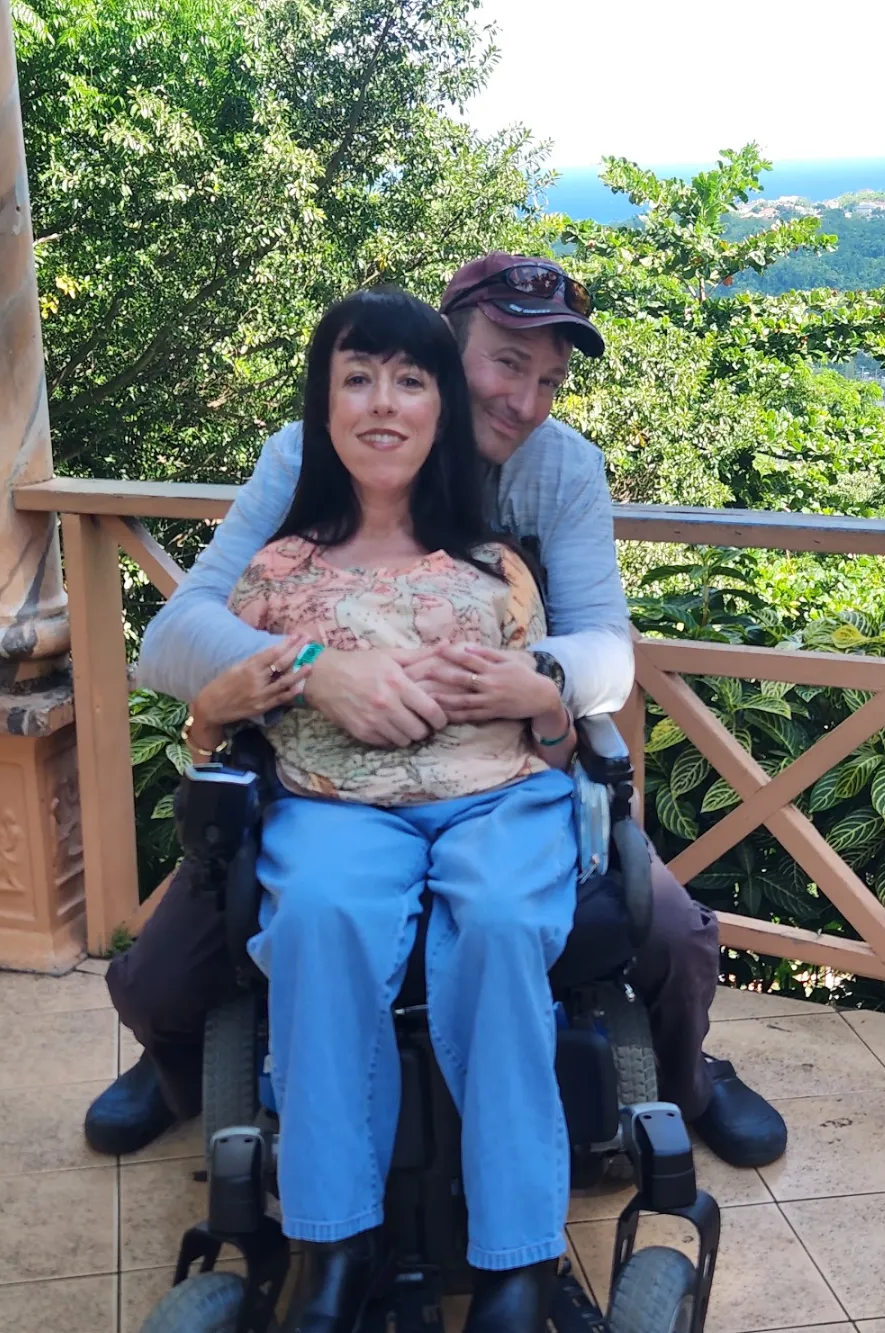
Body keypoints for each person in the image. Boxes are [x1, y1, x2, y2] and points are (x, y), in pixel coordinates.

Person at [85, 252, 786, 1170]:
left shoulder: (563, 470)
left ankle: (687, 1078)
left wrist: (535, 674)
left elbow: (609, 650)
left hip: (502, 773)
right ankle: (184, 1077)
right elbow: (176, 638)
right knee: (157, 980)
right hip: (335, 779)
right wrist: (315, 666)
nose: (525, 402)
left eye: (548, 380)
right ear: (443, 351)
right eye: (504, 362)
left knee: (676, 936)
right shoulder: (310, 451)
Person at [226, 288, 578, 1333]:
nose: (384, 404)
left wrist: (544, 700)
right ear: (322, 405)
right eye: (357, 377)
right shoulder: (275, 574)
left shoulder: (495, 569)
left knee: (502, 920)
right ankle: (334, 1239)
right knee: (321, 920)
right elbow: (207, 707)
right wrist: (280, 683)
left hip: (496, 797)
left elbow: (560, 739)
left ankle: (518, 1250)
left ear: (438, 409)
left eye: (410, 380)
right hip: (339, 806)